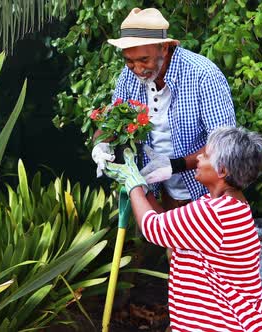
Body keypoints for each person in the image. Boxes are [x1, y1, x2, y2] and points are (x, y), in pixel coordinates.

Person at [103, 126, 262, 332]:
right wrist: (145, 190)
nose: (199, 159)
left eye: (205, 155)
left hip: (223, 324)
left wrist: (132, 183)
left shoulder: (215, 213)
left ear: (222, 170)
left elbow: (152, 227)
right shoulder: (227, 206)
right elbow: (168, 224)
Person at [92, 7, 236, 210]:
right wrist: (100, 145)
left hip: (208, 193)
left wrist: (173, 166)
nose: (138, 69)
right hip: (161, 193)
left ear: (164, 48)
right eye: (130, 61)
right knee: (168, 241)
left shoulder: (203, 75)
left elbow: (225, 145)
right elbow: (112, 122)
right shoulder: (128, 75)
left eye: (144, 60)